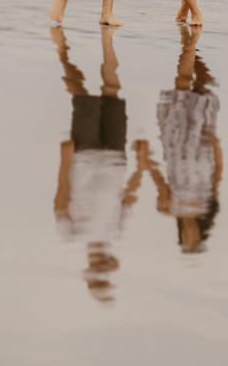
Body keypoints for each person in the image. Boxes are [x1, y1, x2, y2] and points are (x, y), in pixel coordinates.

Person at [51, 26, 145, 303]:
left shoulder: (71, 235)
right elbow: (129, 198)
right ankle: (107, 42)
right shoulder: (117, 232)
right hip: (115, 156)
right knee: (111, 90)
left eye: (99, 274)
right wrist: (140, 164)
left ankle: (62, 50)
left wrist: (64, 159)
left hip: (85, 156)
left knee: (81, 95)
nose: (103, 267)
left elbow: (60, 199)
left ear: (91, 271)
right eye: (107, 274)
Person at [139, 24, 222, 253]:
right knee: (202, 88)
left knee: (182, 87)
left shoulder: (169, 208)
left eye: (186, 240)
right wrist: (216, 145)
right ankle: (192, 40)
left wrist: (145, 160)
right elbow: (217, 177)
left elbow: (159, 180)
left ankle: (190, 42)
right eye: (191, 240)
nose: (189, 235)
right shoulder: (207, 206)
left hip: (178, 145)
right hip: (202, 148)